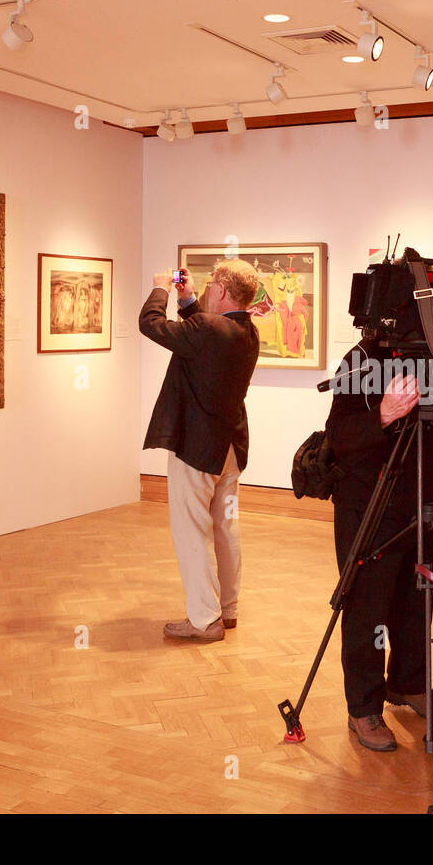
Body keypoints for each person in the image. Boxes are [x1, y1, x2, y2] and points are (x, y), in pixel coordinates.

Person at [325, 339, 433, 752]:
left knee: (419, 601)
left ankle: (410, 683)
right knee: (367, 607)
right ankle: (363, 707)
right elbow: (338, 433)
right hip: (369, 504)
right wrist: (383, 414)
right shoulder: (360, 359)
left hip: (420, 502)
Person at [141, 262, 260, 643]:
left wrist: (161, 289)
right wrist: (188, 298)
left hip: (197, 448)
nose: (208, 290)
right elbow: (203, 336)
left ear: (223, 290)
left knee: (191, 530)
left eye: (211, 286)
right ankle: (227, 610)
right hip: (228, 448)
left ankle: (203, 619)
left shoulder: (210, 330)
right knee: (226, 527)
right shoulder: (246, 332)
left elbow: (151, 324)